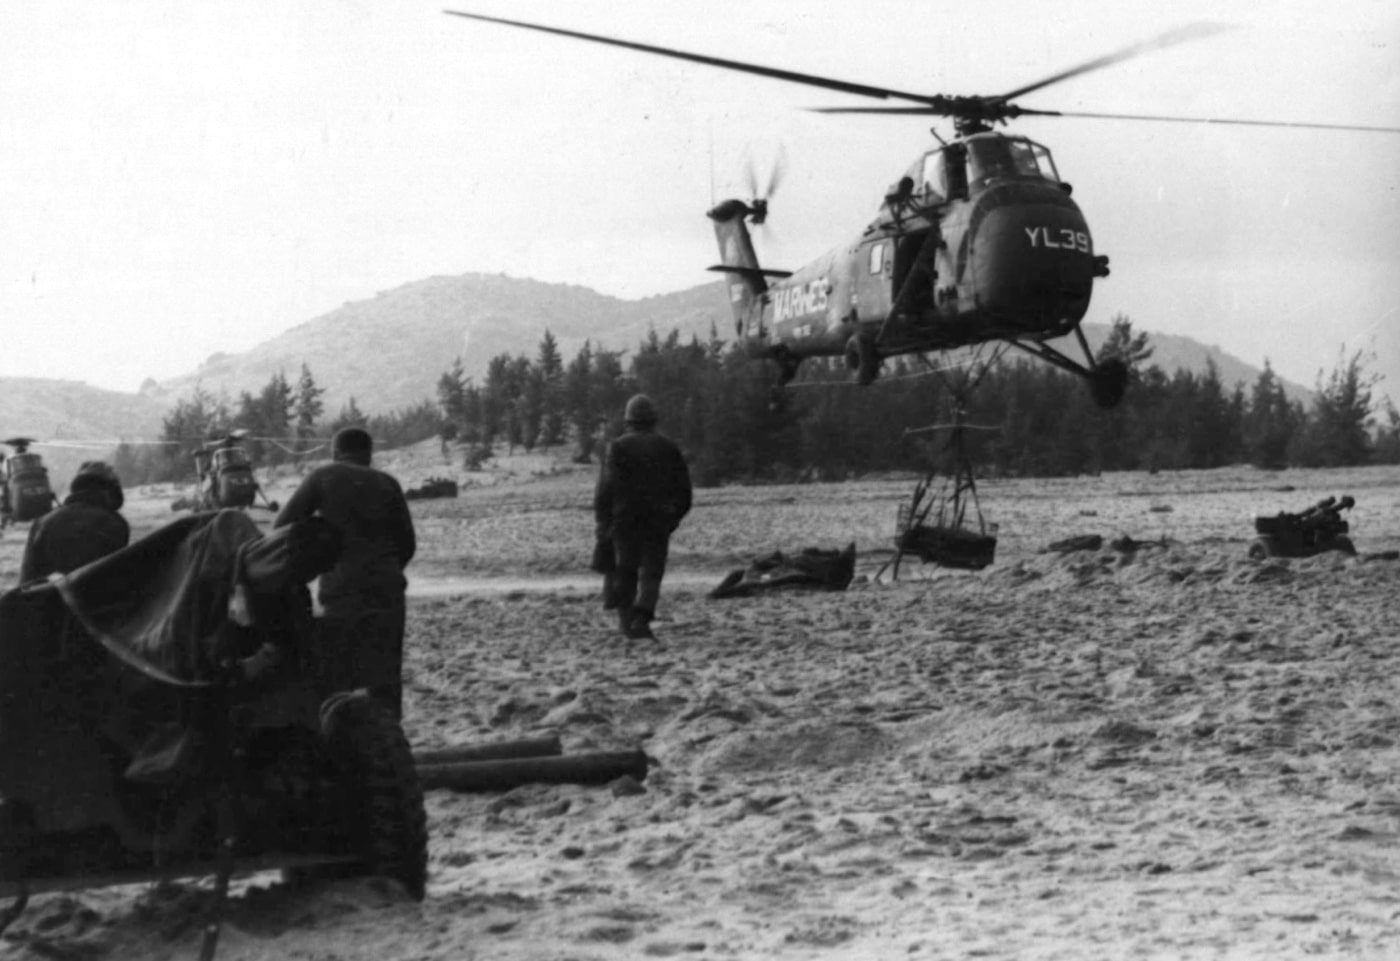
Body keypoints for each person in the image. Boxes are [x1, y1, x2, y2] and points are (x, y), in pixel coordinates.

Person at [274, 427, 416, 719]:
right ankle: (391, 744)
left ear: (335, 453)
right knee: (385, 674)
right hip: (388, 590)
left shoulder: (323, 477)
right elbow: (408, 543)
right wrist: (383, 570)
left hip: (342, 590)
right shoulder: (389, 483)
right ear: (369, 454)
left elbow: (282, 528)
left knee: (336, 676)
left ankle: (343, 745)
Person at [594, 394, 692, 640]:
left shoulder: (617, 447)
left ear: (629, 420)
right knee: (652, 572)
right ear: (653, 419)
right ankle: (643, 617)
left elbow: (605, 490)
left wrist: (603, 523)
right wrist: (673, 518)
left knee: (626, 571)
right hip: (658, 520)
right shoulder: (668, 447)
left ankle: (627, 623)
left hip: (625, 520)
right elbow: (684, 491)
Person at [19, 461, 130, 583]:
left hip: (46, 599)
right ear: (108, 491)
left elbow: (25, 582)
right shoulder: (114, 523)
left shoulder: (41, 522)